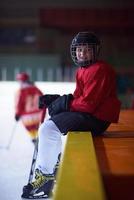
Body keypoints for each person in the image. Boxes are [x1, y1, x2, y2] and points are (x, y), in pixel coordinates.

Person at [21, 32, 121, 199]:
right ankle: (53, 167)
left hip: (97, 119)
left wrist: (64, 104)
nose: (82, 53)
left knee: (48, 128)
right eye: (79, 50)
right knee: (51, 124)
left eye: (87, 50)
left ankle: (46, 177)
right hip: (91, 114)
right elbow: (78, 98)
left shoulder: (100, 69)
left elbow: (88, 105)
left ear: (95, 51)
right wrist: (60, 100)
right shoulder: (82, 70)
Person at [15, 72, 46, 144]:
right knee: (36, 127)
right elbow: (42, 98)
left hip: (27, 115)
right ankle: (37, 138)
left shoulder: (21, 91)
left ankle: (34, 139)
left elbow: (20, 104)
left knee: (30, 129)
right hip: (38, 114)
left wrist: (17, 114)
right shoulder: (35, 88)